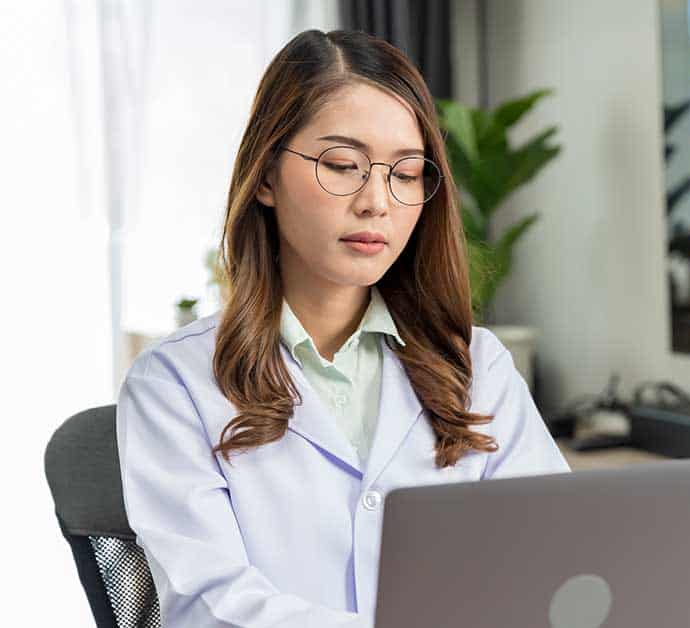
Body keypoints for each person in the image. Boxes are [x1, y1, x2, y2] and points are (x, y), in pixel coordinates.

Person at [115, 29, 569, 627]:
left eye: (405, 174)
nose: (376, 201)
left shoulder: (477, 368)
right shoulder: (174, 383)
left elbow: (560, 559)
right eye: (342, 165)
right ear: (267, 177)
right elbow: (209, 608)